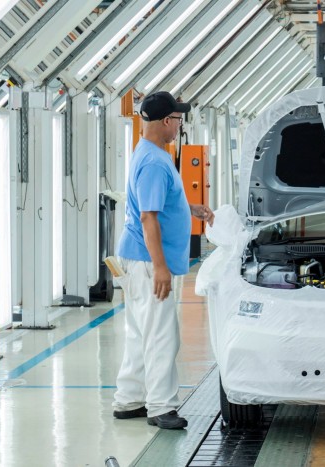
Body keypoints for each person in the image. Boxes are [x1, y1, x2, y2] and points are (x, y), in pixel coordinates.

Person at [112, 91, 214, 430]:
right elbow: (148, 218)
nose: (180, 126)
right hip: (149, 261)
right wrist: (160, 267)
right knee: (160, 334)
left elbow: (159, 207)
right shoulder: (156, 162)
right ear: (166, 122)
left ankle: (129, 400)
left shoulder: (148, 153)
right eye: (178, 119)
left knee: (140, 331)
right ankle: (161, 407)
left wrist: (191, 209)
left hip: (138, 258)